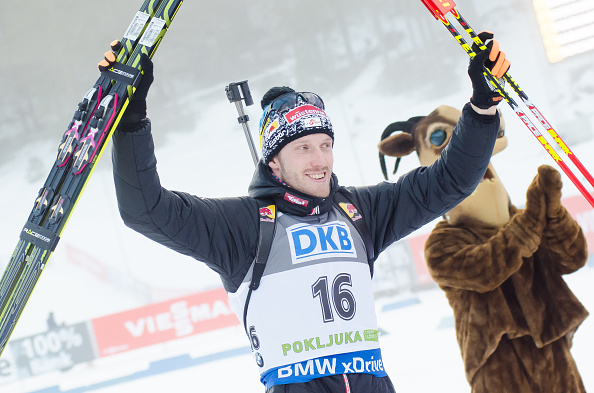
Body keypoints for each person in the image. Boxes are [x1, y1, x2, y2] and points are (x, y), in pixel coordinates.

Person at [104, 32, 509, 392]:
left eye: (325, 145)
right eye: (302, 148)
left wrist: (483, 107)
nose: (320, 160)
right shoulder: (244, 225)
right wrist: (132, 118)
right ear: (274, 162)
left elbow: (452, 180)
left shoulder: (359, 210)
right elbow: (146, 209)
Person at [377, 103, 588, 392]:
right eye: (441, 138)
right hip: (497, 363)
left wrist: (553, 215)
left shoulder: (521, 218)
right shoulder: (443, 243)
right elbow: (485, 269)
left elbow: (572, 258)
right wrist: (531, 221)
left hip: (552, 354)